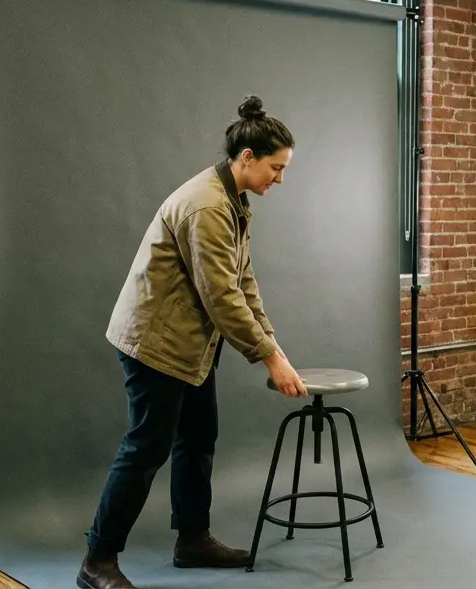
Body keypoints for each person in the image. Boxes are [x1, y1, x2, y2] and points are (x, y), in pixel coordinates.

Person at [77, 95, 309, 589]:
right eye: (276, 167)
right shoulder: (206, 206)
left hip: (191, 345)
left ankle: (192, 540)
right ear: (247, 157)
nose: (280, 179)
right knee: (145, 448)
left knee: (198, 438)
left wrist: (276, 348)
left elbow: (244, 282)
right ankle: (96, 561)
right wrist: (269, 359)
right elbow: (221, 295)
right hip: (154, 343)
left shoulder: (234, 200)